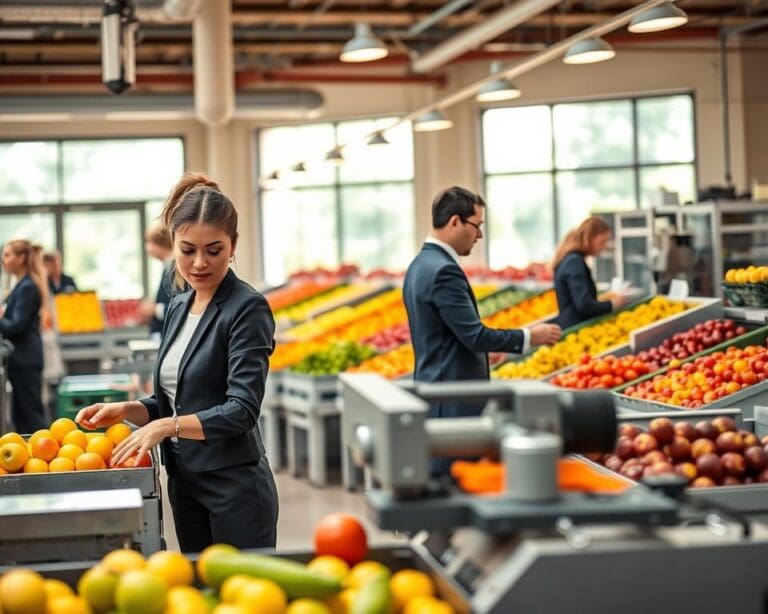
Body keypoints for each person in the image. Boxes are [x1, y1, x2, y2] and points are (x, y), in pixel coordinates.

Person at [75, 172, 279, 552]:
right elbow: (176, 400)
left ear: (233, 246)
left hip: (234, 488)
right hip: (185, 483)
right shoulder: (179, 306)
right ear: (173, 244)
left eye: (214, 250)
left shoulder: (246, 309)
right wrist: (129, 410)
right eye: (188, 250)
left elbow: (242, 410)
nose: (199, 263)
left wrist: (165, 427)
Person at [403, 187, 561, 474]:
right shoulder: (443, 271)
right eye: (477, 226)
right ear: (455, 222)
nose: (479, 235)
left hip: (437, 392)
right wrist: (530, 336)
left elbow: (449, 336)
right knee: (453, 480)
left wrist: (484, 353)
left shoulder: (420, 265)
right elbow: (475, 336)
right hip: (453, 401)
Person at [0, 240, 48, 434]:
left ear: (21, 258)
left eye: (7, 255)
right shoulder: (22, 285)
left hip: (25, 358)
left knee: (30, 414)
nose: (3, 260)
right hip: (22, 358)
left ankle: (45, 448)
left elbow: (16, 326)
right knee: (22, 413)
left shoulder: (27, 286)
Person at [552, 216, 627, 330]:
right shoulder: (574, 262)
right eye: (602, 241)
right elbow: (584, 304)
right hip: (577, 329)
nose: (604, 246)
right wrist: (612, 304)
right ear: (590, 238)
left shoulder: (569, 259)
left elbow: (577, 299)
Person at [140, 222, 174, 339]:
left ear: (160, 243)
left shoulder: (175, 269)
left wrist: (155, 309)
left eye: (150, 242)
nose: (147, 247)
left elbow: (182, 307)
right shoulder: (166, 267)